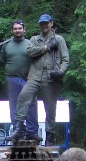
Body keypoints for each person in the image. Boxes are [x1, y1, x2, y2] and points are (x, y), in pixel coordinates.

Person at [8, 13, 69, 145]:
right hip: (35, 76)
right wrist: (46, 47)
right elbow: (30, 51)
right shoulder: (35, 39)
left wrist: (60, 72)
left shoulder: (59, 39)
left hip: (51, 78)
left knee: (50, 108)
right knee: (23, 97)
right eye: (42, 23)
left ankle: (50, 136)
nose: (44, 26)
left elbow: (65, 59)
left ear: (51, 23)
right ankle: (18, 128)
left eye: (46, 23)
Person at [0, 20, 41, 142]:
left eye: (20, 28)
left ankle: (32, 132)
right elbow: (1, 60)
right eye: (15, 29)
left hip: (28, 79)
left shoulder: (30, 43)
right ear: (12, 31)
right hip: (12, 79)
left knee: (31, 104)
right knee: (14, 105)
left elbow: (38, 60)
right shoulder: (7, 44)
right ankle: (18, 131)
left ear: (24, 30)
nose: (17, 30)